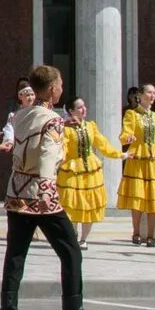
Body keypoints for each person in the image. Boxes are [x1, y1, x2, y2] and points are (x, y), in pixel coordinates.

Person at [0, 67, 98, 310]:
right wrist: (45, 188)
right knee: (71, 252)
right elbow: (46, 152)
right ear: (53, 89)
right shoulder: (52, 119)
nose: (62, 88)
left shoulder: (20, 115)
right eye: (60, 84)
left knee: (15, 257)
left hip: (16, 190)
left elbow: (30, 139)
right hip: (40, 195)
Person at [118, 83, 155, 245]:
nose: (152, 96)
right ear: (140, 95)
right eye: (148, 92)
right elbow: (125, 133)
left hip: (153, 159)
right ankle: (136, 232)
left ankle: (151, 235)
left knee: (153, 196)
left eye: (154, 93)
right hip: (138, 157)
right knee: (138, 196)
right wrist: (127, 138)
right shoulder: (131, 114)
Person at [57, 97, 119, 231]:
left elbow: (102, 144)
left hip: (90, 168)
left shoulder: (90, 126)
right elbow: (64, 148)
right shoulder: (66, 129)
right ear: (71, 111)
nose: (83, 109)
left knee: (89, 203)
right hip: (72, 169)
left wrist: (119, 154)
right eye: (79, 107)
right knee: (73, 203)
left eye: (84, 106)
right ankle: (73, 235)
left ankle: (84, 239)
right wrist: (58, 160)